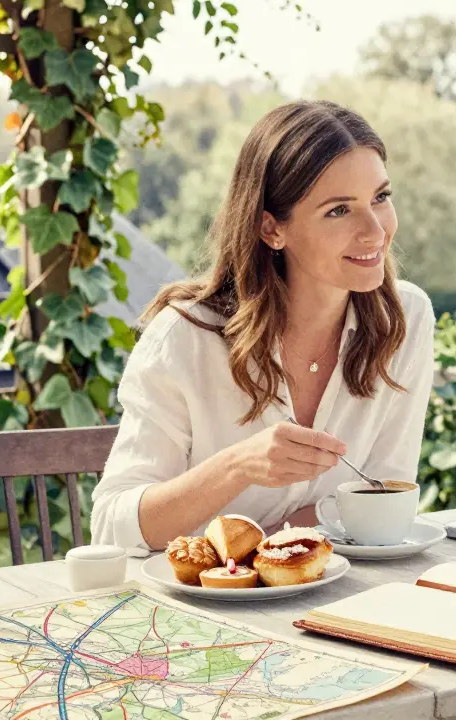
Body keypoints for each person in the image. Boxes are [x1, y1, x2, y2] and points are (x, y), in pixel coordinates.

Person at [92, 100, 435, 552]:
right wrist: (236, 467)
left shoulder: (405, 319)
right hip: (192, 592)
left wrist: (276, 545)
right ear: (271, 229)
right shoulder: (184, 337)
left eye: (381, 198)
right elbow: (112, 527)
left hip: (330, 584)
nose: (375, 231)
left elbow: (384, 501)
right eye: (339, 210)